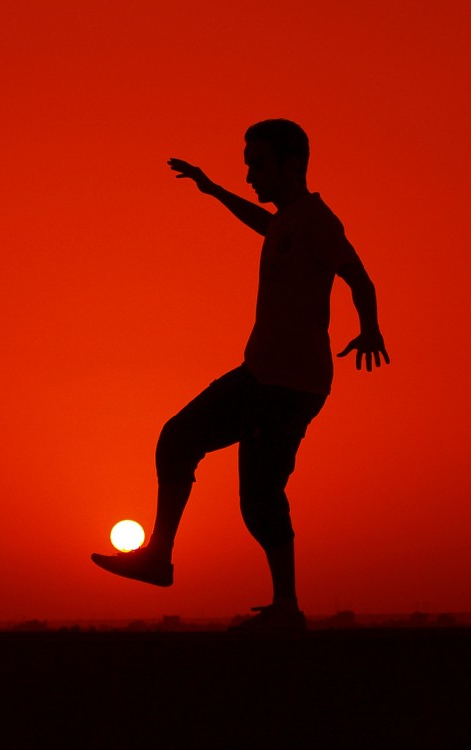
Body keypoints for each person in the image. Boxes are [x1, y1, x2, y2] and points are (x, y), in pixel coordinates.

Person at [91, 119, 389, 632]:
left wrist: (371, 329)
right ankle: (266, 600)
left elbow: (357, 273)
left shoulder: (317, 220)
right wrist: (213, 190)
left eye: (258, 163)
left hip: (288, 384)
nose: (250, 173)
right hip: (265, 376)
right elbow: (263, 223)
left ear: (290, 165)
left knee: (226, 471)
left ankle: (254, 596)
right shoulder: (289, 222)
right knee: (225, 472)